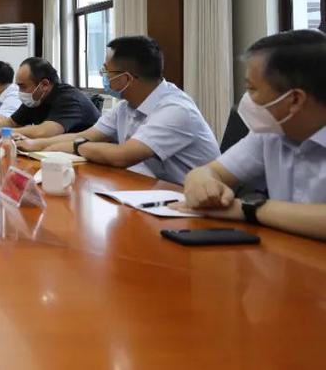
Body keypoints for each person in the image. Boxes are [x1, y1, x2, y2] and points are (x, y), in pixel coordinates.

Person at [176, 30, 326, 240]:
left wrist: (248, 209)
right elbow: (212, 171)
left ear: (294, 100)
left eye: (252, 89)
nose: (246, 99)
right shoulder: (270, 134)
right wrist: (202, 182)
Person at [17, 36, 219, 183]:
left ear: (126, 78)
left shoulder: (175, 109)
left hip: (194, 200)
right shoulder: (125, 107)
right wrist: (34, 144)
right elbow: (84, 136)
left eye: (106, 71)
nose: (103, 76)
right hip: (156, 190)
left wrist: (78, 147)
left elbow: (122, 155)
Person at [0, 57, 99, 139]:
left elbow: (44, 132)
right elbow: (11, 123)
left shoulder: (68, 99)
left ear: (44, 85)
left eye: (23, 86)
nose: (20, 92)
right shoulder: (35, 99)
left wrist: (0, 132)